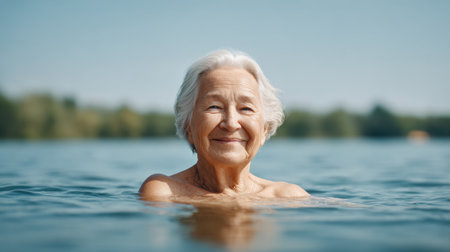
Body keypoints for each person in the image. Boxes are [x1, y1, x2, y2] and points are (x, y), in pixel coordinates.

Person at [139, 49, 309, 202]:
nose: (231, 124)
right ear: (188, 125)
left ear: (264, 129)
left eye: (246, 108)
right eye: (214, 107)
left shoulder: (289, 197)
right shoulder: (163, 191)